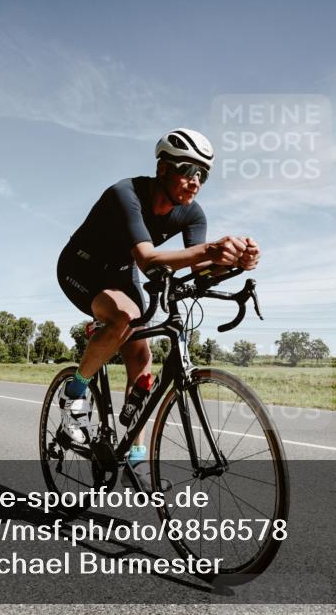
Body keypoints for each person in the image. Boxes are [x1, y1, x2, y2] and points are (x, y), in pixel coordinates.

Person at [56, 128, 259, 470]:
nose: (196, 181)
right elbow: (148, 260)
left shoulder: (192, 213)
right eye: (187, 170)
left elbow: (197, 269)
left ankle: (134, 451)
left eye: (203, 174)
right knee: (122, 318)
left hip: (121, 273)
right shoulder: (126, 194)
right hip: (81, 267)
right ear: (163, 168)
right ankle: (73, 397)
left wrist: (234, 263)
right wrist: (211, 250)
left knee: (141, 350)